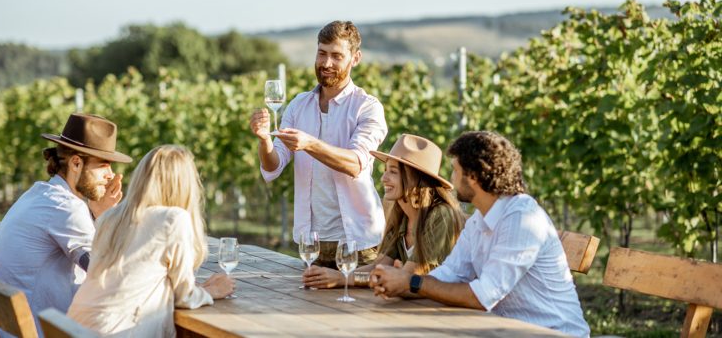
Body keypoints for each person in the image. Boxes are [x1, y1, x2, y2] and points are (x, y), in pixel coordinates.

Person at [370, 131, 590, 337]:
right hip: (505, 330)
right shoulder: (479, 220)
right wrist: (403, 283)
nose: (452, 180)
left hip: (552, 333)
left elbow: (483, 296)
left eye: (455, 171)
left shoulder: (521, 219)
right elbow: (450, 274)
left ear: (472, 176)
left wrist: (413, 283)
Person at [249, 20, 387, 268]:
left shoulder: (367, 107)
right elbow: (273, 167)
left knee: (361, 308)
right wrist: (264, 140)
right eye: (322, 54)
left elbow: (356, 163)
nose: (326, 63)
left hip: (358, 241)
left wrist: (310, 144)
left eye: (337, 56)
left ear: (355, 58)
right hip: (311, 241)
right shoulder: (298, 105)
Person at [0, 114, 129, 335]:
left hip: (2, 329)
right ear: (76, 163)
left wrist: (98, 214)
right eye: (104, 166)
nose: (111, 175)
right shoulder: (67, 208)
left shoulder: (40, 194)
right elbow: (105, 273)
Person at [67, 145, 235, 336]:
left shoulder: (110, 217)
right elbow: (184, 297)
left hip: (74, 328)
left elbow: (132, 284)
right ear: (185, 185)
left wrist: (200, 289)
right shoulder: (173, 219)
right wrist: (213, 291)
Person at [302, 134, 464, 288]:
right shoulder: (401, 215)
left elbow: (407, 277)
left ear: (415, 178)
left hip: (438, 312)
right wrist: (341, 278)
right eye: (386, 170)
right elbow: (377, 268)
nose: (383, 178)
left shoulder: (440, 215)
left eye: (393, 172)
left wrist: (343, 278)